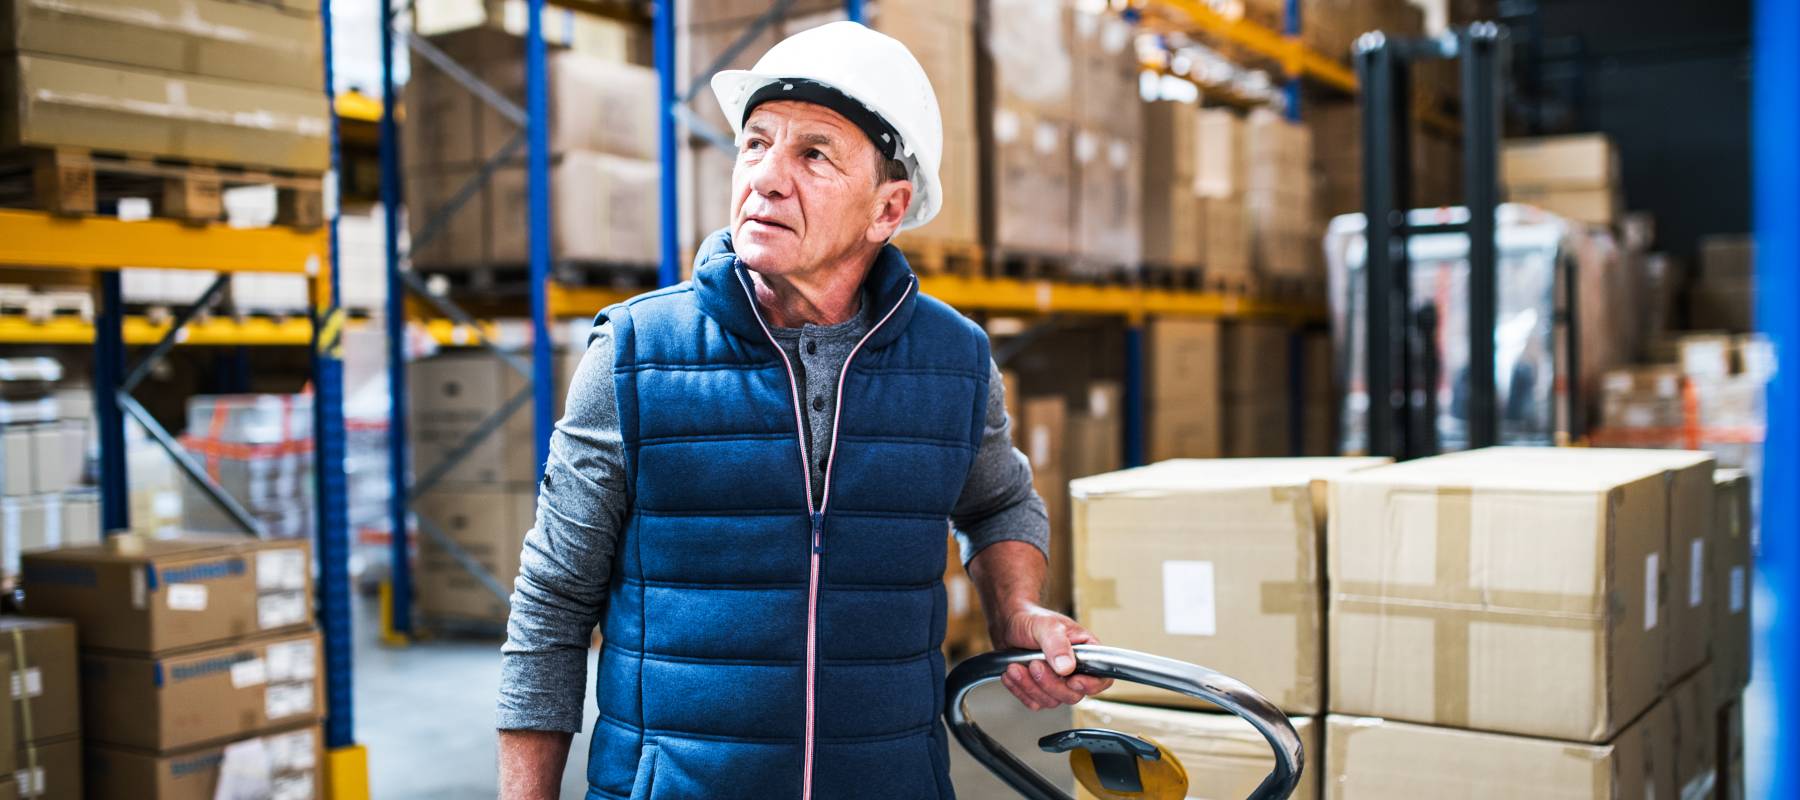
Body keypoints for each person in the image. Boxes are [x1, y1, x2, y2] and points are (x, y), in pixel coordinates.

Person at [496, 22, 1110, 800]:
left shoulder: (953, 361)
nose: (766, 178)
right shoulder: (637, 354)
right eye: (755, 144)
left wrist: (1014, 608)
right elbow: (551, 606)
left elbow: (999, 502)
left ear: (889, 208)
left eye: (813, 154)